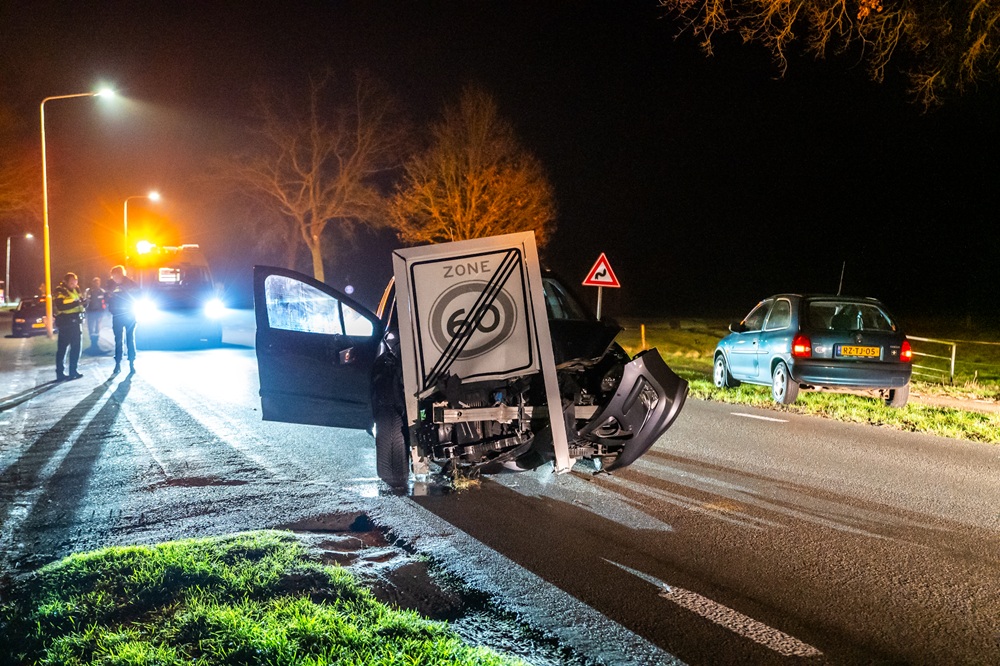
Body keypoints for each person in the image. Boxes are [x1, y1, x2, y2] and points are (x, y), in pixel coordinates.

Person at [107, 264, 139, 374]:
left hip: (129, 315)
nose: (114, 278)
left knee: (130, 339)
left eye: (116, 276)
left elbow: (138, 295)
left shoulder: (130, 284)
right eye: (113, 276)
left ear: (121, 274)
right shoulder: (111, 285)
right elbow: (108, 298)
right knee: (118, 340)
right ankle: (118, 363)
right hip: (117, 316)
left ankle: (131, 363)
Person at [53, 272, 85, 381]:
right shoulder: (60, 291)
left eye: (75, 281)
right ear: (65, 282)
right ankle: (60, 373)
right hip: (65, 322)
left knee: (76, 347)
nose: (74, 284)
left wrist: (85, 303)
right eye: (71, 282)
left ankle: (73, 371)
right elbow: (60, 306)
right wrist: (77, 304)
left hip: (76, 321)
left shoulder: (77, 290)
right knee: (62, 348)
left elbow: (81, 302)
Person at [84, 276, 107, 351]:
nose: (96, 284)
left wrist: (104, 310)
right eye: (95, 282)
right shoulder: (89, 291)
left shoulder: (102, 291)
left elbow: (105, 301)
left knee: (97, 328)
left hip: (99, 313)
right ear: (93, 283)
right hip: (90, 313)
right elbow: (86, 301)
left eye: (98, 282)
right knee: (91, 328)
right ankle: (92, 344)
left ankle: (96, 344)